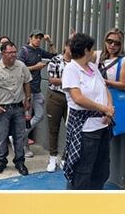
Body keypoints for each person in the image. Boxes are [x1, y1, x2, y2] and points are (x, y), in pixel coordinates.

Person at [61, 32, 114, 190]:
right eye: (91, 49)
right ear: (85, 51)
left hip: (102, 125)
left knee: (101, 168)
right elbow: (78, 98)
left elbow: (104, 88)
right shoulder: (71, 69)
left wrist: (109, 109)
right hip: (86, 129)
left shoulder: (92, 67)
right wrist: (103, 108)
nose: (94, 52)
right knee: (83, 170)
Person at [0, 40, 33, 176]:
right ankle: (1, 161)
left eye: (14, 52)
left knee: (20, 136)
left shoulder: (21, 66)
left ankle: (20, 162)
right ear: (2, 53)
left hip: (18, 108)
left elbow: (27, 82)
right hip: (3, 109)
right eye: (10, 53)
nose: (13, 55)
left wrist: (27, 99)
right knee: (2, 136)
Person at [17, 29, 58, 157]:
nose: (38, 40)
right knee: (27, 118)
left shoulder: (39, 51)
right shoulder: (23, 51)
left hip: (37, 89)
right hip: (26, 90)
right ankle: (25, 147)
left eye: (40, 38)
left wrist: (50, 42)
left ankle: (20, 134)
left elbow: (55, 56)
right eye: (36, 37)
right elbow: (19, 69)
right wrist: (36, 67)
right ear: (30, 38)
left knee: (39, 115)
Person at [44, 40, 72, 173]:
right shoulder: (56, 60)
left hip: (72, 98)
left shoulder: (78, 62)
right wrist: (71, 80)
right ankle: (53, 157)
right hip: (55, 96)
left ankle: (66, 157)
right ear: (65, 46)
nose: (72, 49)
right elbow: (52, 79)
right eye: (70, 46)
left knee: (72, 128)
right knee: (53, 129)